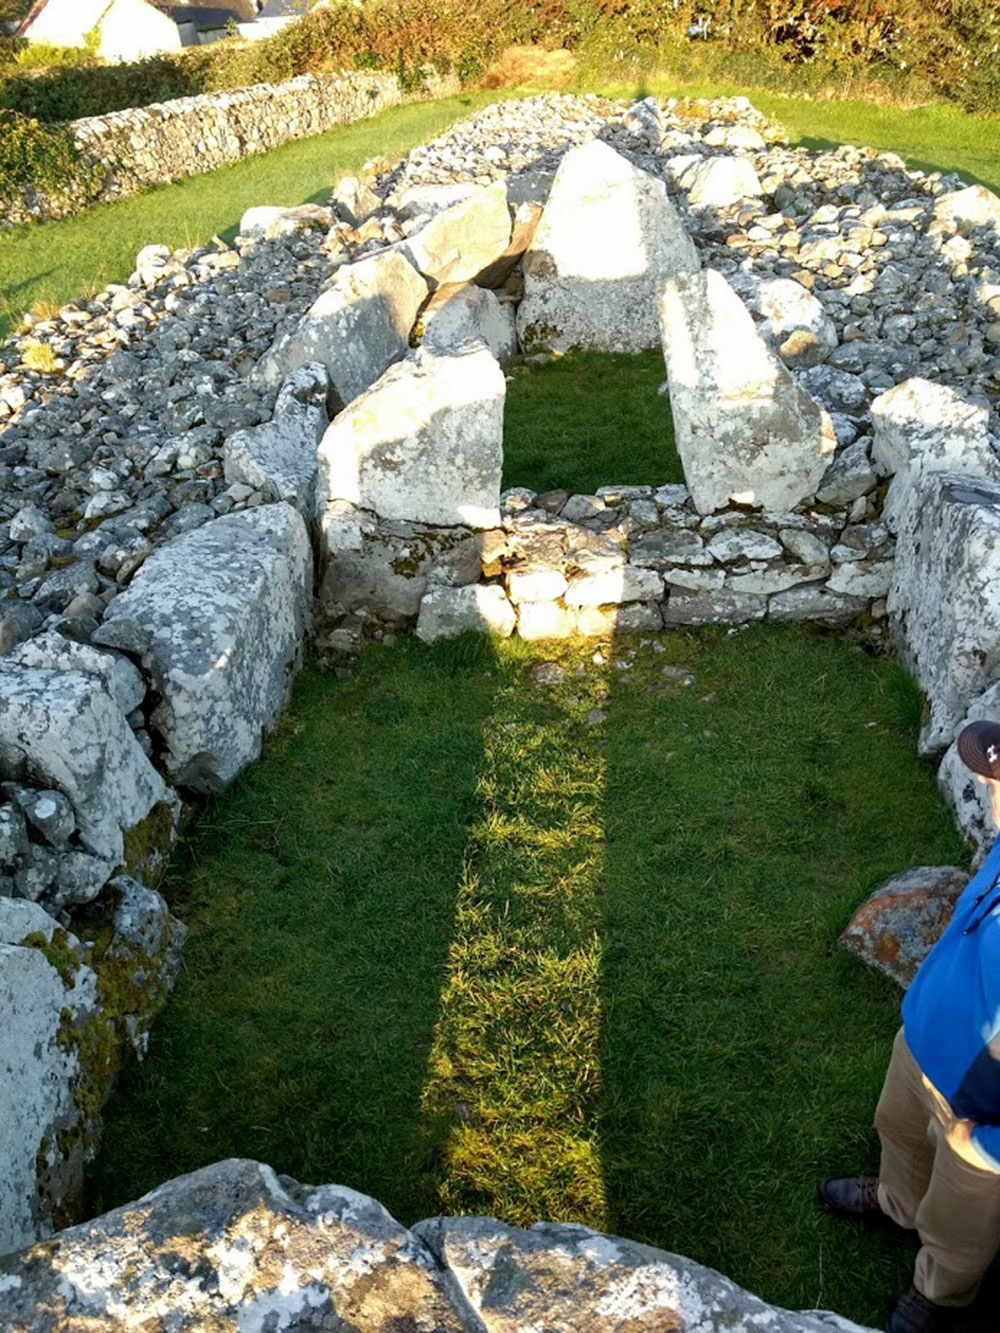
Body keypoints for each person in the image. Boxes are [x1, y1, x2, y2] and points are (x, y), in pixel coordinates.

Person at [818, 719, 1000, 1332]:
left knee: (961, 1220)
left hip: (979, 1117)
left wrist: (988, 1144)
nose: (988, 789)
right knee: (897, 1133)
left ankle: (939, 1291)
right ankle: (897, 1203)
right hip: (922, 1042)